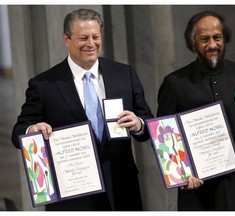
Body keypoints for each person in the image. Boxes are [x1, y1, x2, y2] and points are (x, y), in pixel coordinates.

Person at [11, 8, 154, 211]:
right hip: (72, 196)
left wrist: (139, 124)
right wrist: (32, 131)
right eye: (83, 38)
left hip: (121, 188)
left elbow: (149, 123)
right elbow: (18, 132)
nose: (91, 44)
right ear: (66, 39)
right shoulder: (44, 84)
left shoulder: (124, 74)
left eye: (95, 37)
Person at [157, 10, 235, 210]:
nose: (212, 45)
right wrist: (181, 172)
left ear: (225, 38)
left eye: (217, 37)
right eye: (204, 39)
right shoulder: (175, 83)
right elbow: (163, 135)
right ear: (192, 42)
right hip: (199, 191)